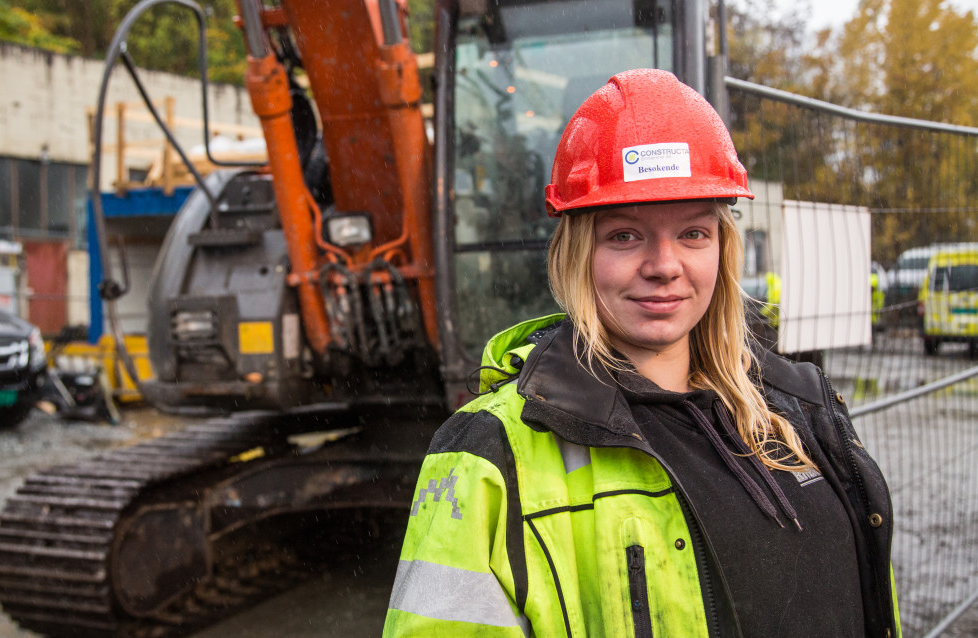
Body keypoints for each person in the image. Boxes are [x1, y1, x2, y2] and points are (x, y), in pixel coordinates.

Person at [383, 68, 900, 637]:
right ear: (577, 254)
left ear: (723, 250)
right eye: (625, 235)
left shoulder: (801, 406)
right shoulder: (490, 451)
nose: (664, 265)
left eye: (694, 234)